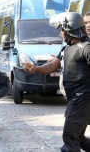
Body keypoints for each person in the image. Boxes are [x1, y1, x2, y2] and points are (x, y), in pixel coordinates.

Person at [24, 12, 90, 152]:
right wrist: (36, 68)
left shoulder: (86, 48)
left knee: (70, 136)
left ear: (70, 30)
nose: (61, 34)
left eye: (63, 30)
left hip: (83, 98)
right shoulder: (66, 49)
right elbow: (53, 65)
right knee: (78, 138)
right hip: (74, 98)